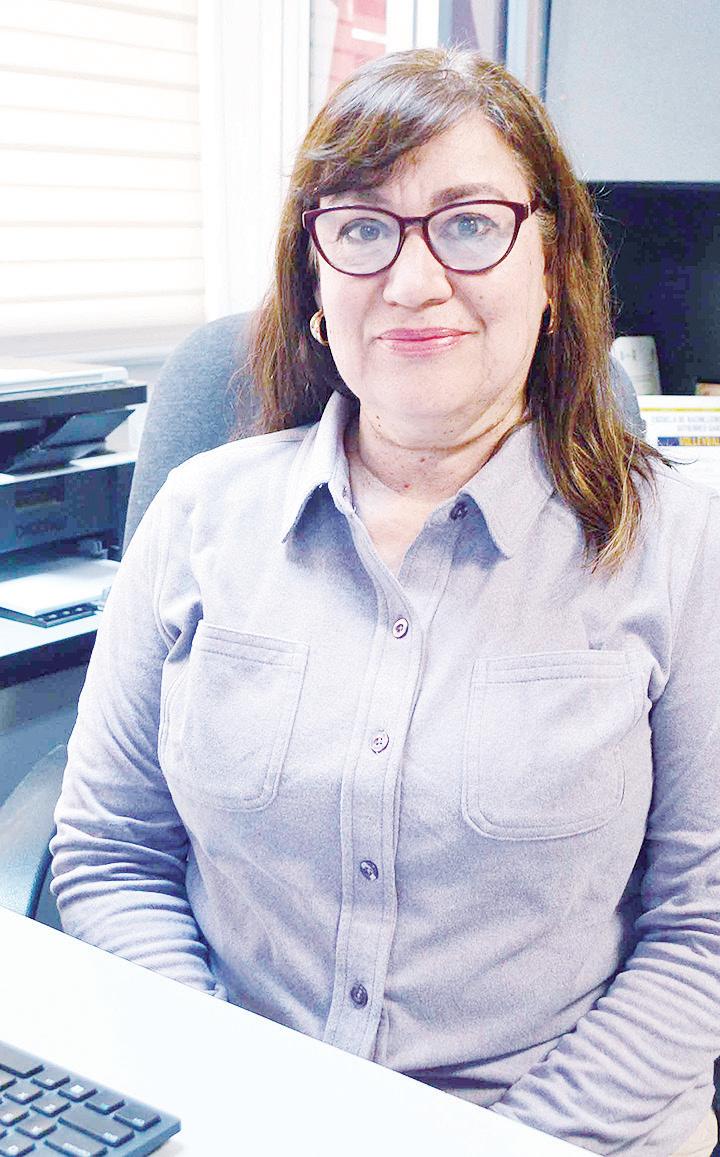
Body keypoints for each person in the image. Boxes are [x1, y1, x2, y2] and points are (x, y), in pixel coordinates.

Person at [50, 48, 720, 1156]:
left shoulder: (683, 546)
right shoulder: (199, 516)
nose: (412, 281)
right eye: (363, 228)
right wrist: (220, 1099)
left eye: (470, 224)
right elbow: (111, 851)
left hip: (563, 1132)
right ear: (315, 283)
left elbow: (701, 934)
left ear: (553, 269)